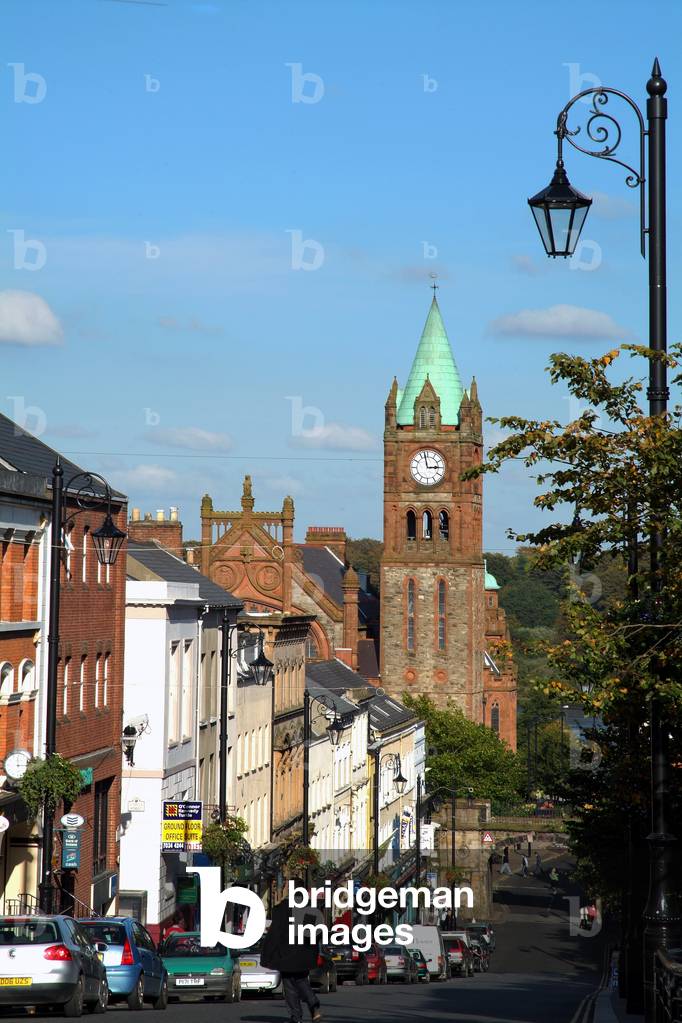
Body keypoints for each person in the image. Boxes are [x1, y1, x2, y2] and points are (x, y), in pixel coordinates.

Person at [261, 879, 322, 1023]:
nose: (285, 888)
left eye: (287, 886)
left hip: (286, 954)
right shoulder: (311, 908)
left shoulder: (283, 908)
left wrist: (267, 954)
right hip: (305, 953)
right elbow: (317, 933)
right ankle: (313, 1005)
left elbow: (275, 933)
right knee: (301, 979)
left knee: (289, 985)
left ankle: (297, 1016)